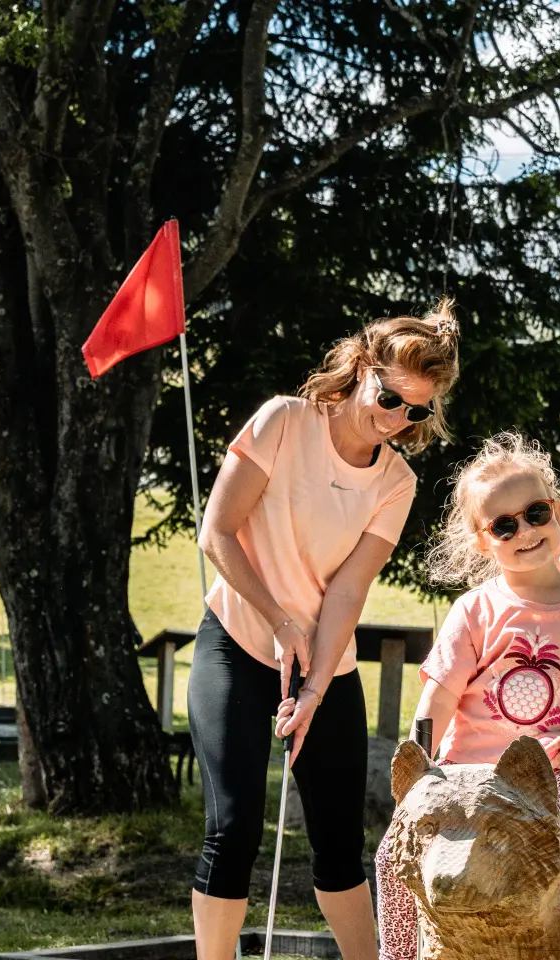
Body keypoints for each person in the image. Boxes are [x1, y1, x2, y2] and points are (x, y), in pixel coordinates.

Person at [191, 304, 461, 960]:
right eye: (390, 397)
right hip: (237, 643)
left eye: (416, 412)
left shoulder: (395, 481)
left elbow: (347, 591)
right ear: (363, 367)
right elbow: (218, 534)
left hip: (325, 666)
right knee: (235, 829)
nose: (397, 419)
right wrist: (280, 620)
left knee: (340, 845)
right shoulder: (283, 421)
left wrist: (314, 689)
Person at [375, 434, 560, 960]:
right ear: (484, 542)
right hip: (462, 773)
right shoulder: (475, 610)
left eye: (535, 513)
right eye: (504, 525)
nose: (524, 531)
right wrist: (422, 772)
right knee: (392, 853)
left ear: (559, 512)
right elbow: (436, 698)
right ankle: (398, 954)